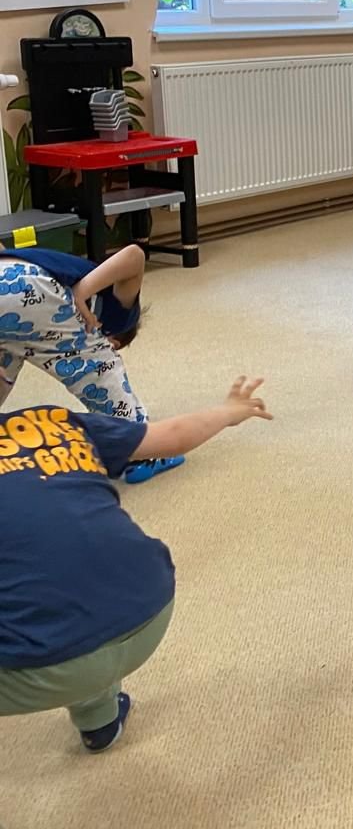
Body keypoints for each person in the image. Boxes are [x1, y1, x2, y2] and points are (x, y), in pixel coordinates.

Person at [0, 377, 271, 752]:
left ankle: (88, 695)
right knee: (65, 581)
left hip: (42, 664)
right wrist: (228, 412)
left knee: (44, 599)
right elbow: (172, 436)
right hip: (149, 609)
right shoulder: (54, 421)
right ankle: (99, 720)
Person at [0, 244, 178, 484]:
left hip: (10, 283)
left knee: (8, 359)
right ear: (115, 340)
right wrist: (81, 293)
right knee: (101, 369)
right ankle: (141, 452)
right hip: (34, 289)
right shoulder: (122, 315)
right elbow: (135, 255)